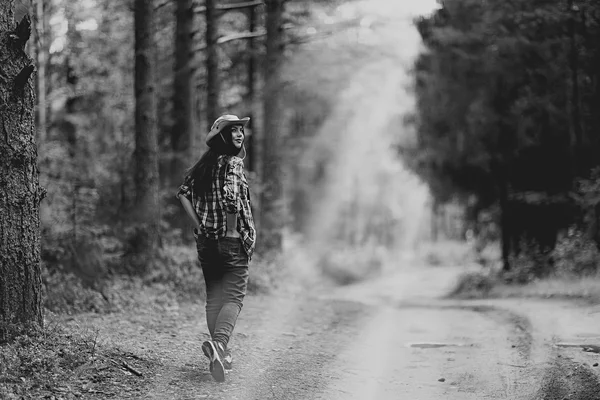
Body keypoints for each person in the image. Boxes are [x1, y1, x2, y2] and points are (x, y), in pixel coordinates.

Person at [176, 114, 256, 382]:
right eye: (233, 130)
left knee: (214, 298)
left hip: (207, 243)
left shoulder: (203, 166)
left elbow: (183, 194)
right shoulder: (233, 164)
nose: (239, 134)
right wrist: (233, 229)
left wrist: (198, 225)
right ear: (221, 136)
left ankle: (222, 352)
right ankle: (220, 345)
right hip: (231, 241)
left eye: (240, 130)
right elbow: (232, 198)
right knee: (233, 297)